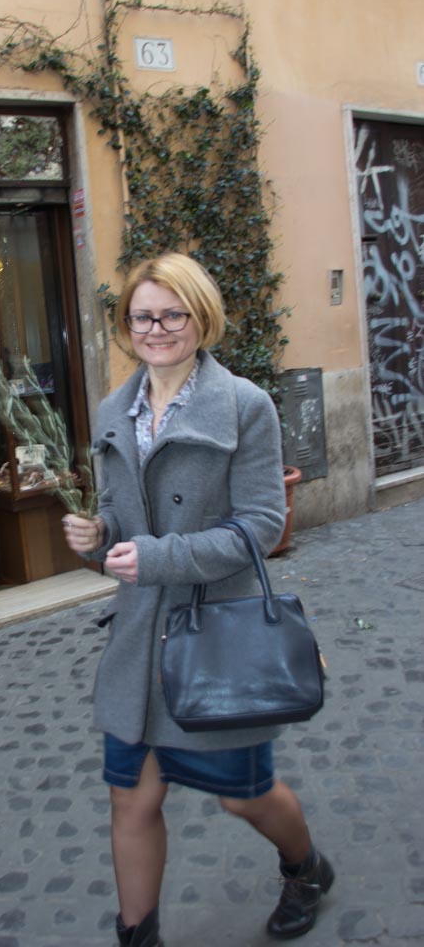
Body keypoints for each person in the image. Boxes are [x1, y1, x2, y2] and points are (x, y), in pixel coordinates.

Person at [62, 253, 333, 947]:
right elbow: (121, 521)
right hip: (138, 647)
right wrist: (97, 536)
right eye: (140, 317)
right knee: (131, 799)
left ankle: (305, 868)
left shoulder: (243, 405)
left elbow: (261, 525)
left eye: (170, 315)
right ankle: (138, 937)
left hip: (216, 640)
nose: (154, 330)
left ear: (200, 317)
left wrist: (157, 557)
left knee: (243, 796)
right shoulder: (112, 411)